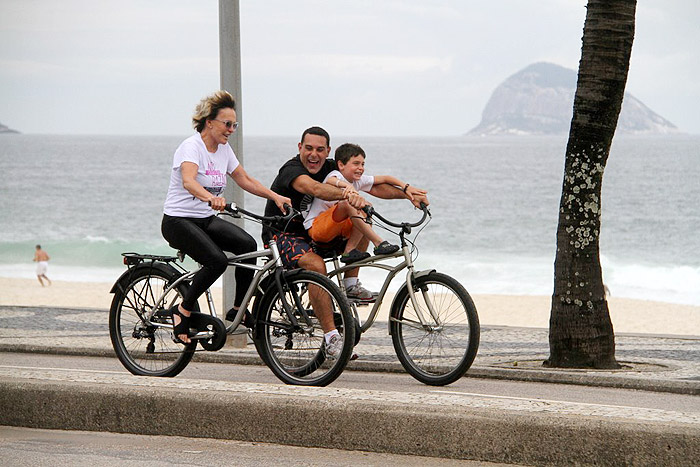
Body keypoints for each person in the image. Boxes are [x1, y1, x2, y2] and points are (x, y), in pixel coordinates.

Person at [262, 127, 429, 356]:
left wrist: (408, 194)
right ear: (300, 148)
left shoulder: (333, 167)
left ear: (328, 151)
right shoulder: (292, 169)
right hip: (283, 235)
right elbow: (313, 188)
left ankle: (350, 285)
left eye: (320, 150)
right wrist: (347, 195)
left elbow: (375, 186)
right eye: (309, 148)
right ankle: (332, 338)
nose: (314, 155)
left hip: (313, 233)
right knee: (316, 266)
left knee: (362, 219)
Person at [161, 90, 290, 344]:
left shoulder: (224, 149)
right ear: (210, 122)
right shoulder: (191, 147)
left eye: (234, 125)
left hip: (204, 219)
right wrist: (210, 198)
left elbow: (244, 179)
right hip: (178, 220)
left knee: (247, 245)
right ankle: (183, 310)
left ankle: (237, 310)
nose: (231, 129)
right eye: (227, 124)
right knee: (217, 262)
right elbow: (188, 181)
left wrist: (275, 196)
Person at [304, 143, 427, 264]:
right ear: (341, 165)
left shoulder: (357, 180)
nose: (361, 168)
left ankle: (350, 254)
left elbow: (385, 179)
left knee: (366, 207)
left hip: (337, 228)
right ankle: (378, 243)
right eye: (356, 164)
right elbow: (331, 181)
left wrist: (406, 188)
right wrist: (347, 186)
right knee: (350, 203)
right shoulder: (336, 175)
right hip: (317, 228)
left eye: (363, 164)